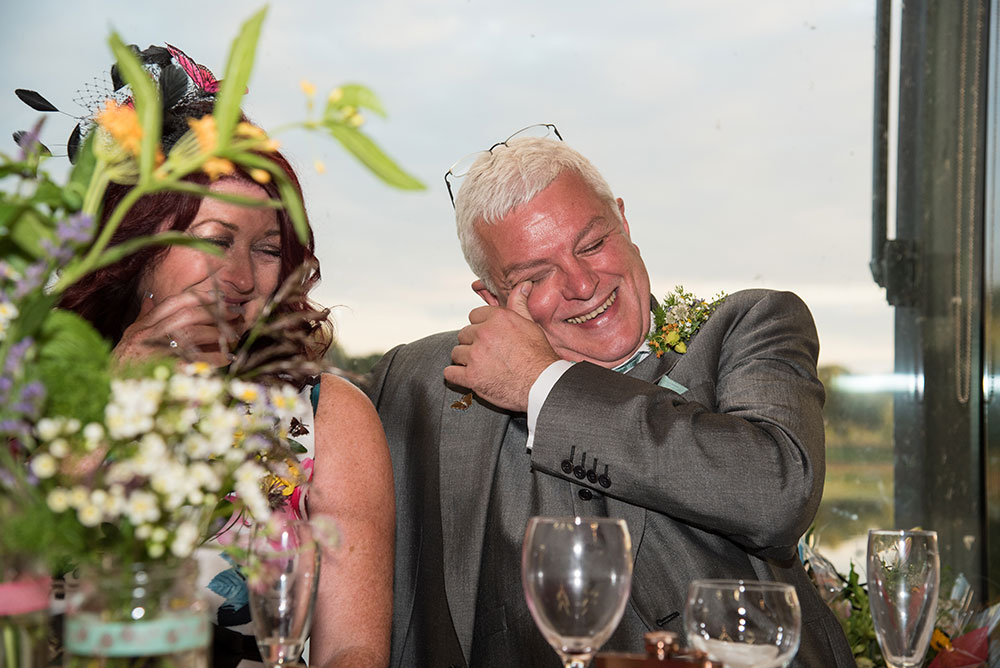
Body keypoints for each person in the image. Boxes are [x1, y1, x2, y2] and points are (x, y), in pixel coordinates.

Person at [364, 127, 855, 667]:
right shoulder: (416, 380)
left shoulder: (749, 327)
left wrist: (541, 385)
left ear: (624, 221)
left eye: (593, 244)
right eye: (537, 275)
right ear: (493, 298)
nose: (581, 283)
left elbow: (776, 492)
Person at [51, 45, 394, 668]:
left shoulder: (327, 417)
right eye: (215, 241)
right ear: (139, 251)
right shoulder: (32, 392)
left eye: (267, 249)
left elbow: (354, 649)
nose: (240, 276)